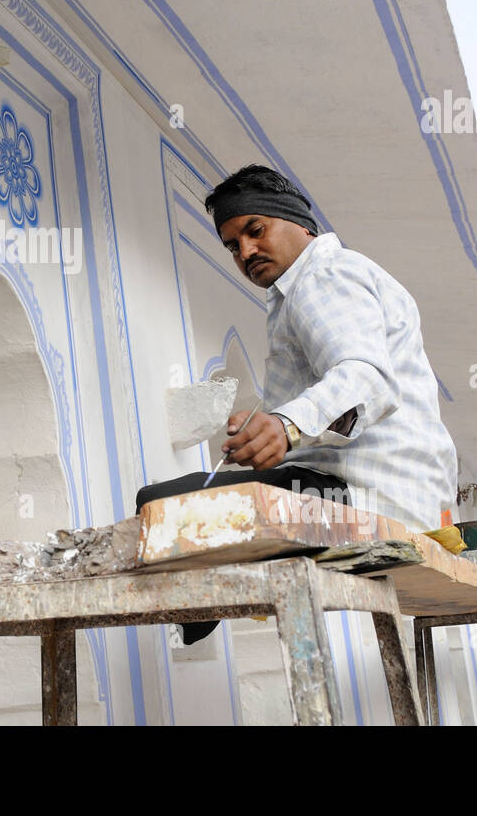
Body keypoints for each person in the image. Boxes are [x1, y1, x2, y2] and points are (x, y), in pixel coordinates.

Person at [136, 164, 458, 643]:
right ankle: (208, 606)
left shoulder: (320, 277)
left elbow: (364, 375)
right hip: (398, 500)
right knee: (205, 504)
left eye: (255, 230)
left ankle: (199, 617)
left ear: (299, 223)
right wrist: (271, 422)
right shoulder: (329, 279)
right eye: (232, 245)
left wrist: (285, 425)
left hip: (358, 499)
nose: (246, 252)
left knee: (160, 504)